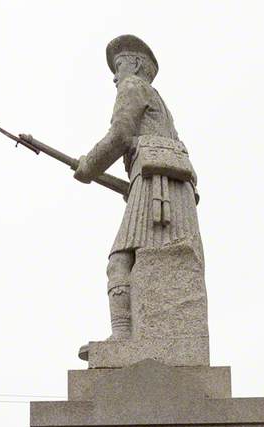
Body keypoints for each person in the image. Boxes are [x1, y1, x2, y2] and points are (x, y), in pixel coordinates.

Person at [74, 35, 203, 345]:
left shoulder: (133, 87)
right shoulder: (160, 103)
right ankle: (130, 337)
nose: (115, 76)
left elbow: (121, 134)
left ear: (133, 65)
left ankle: (122, 337)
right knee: (127, 260)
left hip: (155, 186)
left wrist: (89, 165)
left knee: (119, 260)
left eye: (119, 66)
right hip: (166, 188)